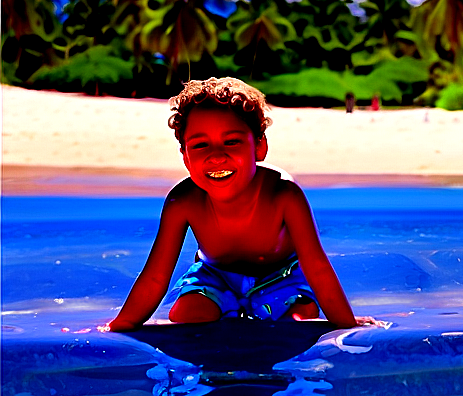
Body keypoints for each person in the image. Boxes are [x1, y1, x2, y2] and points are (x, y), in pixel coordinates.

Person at [105, 77, 373, 332]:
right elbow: (155, 277)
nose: (217, 156)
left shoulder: (283, 194)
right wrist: (121, 325)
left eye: (231, 142)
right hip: (215, 276)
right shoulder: (182, 202)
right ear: (185, 157)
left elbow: (316, 267)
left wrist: (345, 323)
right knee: (188, 316)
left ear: (259, 147)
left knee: (299, 320)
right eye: (200, 146)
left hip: (282, 277)